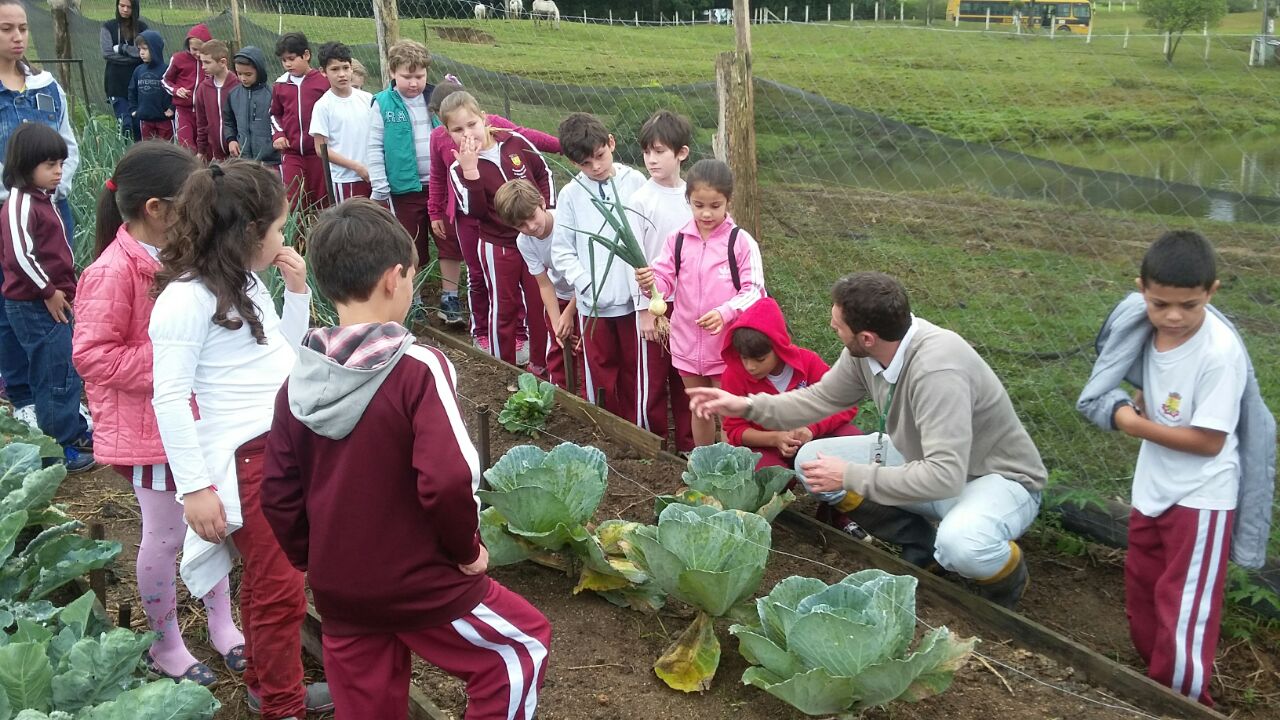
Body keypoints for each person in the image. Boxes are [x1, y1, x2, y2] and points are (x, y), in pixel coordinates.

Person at [262, 198, 551, 720]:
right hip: (421, 581)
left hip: (341, 589)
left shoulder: (297, 382)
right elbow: (449, 477)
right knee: (521, 646)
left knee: (368, 708)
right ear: (395, 278)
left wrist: (318, 559)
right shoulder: (418, 367)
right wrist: (466, 550)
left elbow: (278, 493)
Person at [687, 271, 1046, 609]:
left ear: (867, 337)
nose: (831, 326)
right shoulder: (868, 354)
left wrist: (850, 475)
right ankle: (919, 542)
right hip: (925, 463)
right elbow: (818, 400)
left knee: (963, 546)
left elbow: (944, 476)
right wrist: (744, 404)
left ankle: (1005, 582)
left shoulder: (938, 371)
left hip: (993, 478)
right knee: (813, 461)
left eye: (838, 324)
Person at [150, 160, 330, 719]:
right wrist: (195, 489)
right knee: (280, 590)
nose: (283, 238)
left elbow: (281, 355)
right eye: (277, 228)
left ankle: (262, 682)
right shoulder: (186, 301)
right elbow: (169, 399)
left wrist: (297, 291)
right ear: (247, 233)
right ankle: (282, 706)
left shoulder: (245, 282)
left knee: (265, 582)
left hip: (275, 446)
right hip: (246, 459)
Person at [72, 142, 245, 686]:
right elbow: (91, 355)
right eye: (191, 204)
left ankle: (223, 626)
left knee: (212, 528)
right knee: (166, 538)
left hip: (196, 422)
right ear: (156, 208)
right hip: (151, 432)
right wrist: (173, 356)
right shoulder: (112, 271)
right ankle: (166, 643)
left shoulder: (181, 258)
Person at [1078, 231, 1275, 707]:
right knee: (1143, 582)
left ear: (1212, 291)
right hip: (1155, 485)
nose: (1173, 316)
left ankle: (1182, 701)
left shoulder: (1219, 353)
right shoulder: (1146, 329)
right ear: (1141, 288)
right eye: (1160, 302)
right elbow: (1157, 386)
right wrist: (1141, 399)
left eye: (1188, 305)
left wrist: (1127, 420)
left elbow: (1208, 442)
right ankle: (1152, 677)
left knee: (1184, 604)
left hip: (1202, 495)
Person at [635, 159, 765, 447]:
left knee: (728, 415)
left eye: (715, 206)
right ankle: (703, 469)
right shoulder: (677, 240)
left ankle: (731, 472)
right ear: (689, 201)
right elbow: (664, 282)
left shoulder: (740, 243)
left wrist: (725, 312)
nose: (706, 213)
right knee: (700, 410)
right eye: (698, 205)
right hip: (686, 345)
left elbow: (755, 290)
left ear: (728, 201)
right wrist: (650, 284)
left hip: (725, 349)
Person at [427, 79, 561, 347]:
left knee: (535, 290)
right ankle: (486, 336)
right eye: (457, 129)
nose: (467, 133)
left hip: (530, 233)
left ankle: (530, 344)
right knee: (486, 282)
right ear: (446, 132)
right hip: (489, 237)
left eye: (472, 124)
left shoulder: (512, 141)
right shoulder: (458, 166)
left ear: (484, 118)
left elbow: (542, 171)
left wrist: (548, 208)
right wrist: (471, 172)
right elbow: (474, 209)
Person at [0, 0, 81, 431]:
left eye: (23, 28)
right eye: (6, 29)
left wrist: (52, 188)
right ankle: (25, 396)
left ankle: (61, 398)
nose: (17, 37)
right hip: (8, 212)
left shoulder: (47, 86)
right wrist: (17, 194)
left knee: (58, 297)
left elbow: (67, 144)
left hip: (50, 204)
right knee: (11, 302)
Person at [720, 296, 865, 536]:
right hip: (768, 446)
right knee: (770, 474)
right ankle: (770, 519)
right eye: (744, 358)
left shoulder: (808, 363)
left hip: (812, 439)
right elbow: (735, 430)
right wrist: (775, 439)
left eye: (759, 359)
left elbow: (844, 404)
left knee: (852, 441)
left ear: (778, 347)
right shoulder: (734, 375)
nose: (750, 367)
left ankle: (838, 514)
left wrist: (811, 429)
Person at [0, 123, 92, 472]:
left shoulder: (41, 200)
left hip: (49, 300)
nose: (58, 172)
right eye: (50, 165)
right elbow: (19, 256)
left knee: (63, 368)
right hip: (36, 305)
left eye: (60, 164)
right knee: (53, 372)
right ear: (26, 165)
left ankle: (71, 430)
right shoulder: (20, 204)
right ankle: (58, 448)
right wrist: (49, 291)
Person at [550, 112, 645, 420]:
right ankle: (605, 428)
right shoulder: (571, 195)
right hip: (595, 307)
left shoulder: (636, 183)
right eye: (585, 164)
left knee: (635, 370)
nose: (596, 168)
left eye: (600, 157)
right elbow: (562, 250)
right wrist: (588, 283)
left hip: (634, 303)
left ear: (611, 144)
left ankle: (637, 429)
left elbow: (648, 238)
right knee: (600, 372)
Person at [630, 109, 695, 451]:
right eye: (646, 152)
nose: (651, 160)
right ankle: (651, 443)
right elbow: (635, 261)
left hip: (690, 303)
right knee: (653, 379)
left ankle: (689, 446)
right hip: (656, 301)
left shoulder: (692, 198)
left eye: (660, 152)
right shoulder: (640, 200)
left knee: (686, 376)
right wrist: (644, 310)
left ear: (681, 153)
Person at [368, 40, 445, 313]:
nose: (414, 83)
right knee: (411, 244)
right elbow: (375, 147)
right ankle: (414, 298)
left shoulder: (435, 100)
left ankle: (449, 298)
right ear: (392, 73)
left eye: (420, 76)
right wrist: (379, 186)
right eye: (407, 76)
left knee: (447, 242)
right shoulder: (383, 104)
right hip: (404, 189)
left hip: (438, 186)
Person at [495, 178, 579, 390]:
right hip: (560, 295)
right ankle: (561, 394)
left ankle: (590, 398)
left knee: (584, 346)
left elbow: (591, 273)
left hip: (588, 294)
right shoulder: (524, 242)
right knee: (559, 344)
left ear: (542, 202)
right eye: (520, 225)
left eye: (532, 217)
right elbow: (544, 284)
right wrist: (558, 321)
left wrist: (570, 313)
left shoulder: (568, 222)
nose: (531, 227)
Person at [270, 32, 328, 210]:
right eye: (283, 60)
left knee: (322, 199)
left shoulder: (323, 83)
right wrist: (278, 134)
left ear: (306, 55)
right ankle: (295, 237)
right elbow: (274, 114)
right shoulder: (280, 85)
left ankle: (321, 234)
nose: (287, 64)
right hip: (292, 153)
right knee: (293, 199)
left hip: (318, 153)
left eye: (292, 58)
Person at [309, 42, 372, 203]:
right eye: (335, 69)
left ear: (351, 68)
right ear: (323, 72)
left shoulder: (368, 99)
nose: (342, 74)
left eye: (345, 67)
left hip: (373, 175)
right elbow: (320, 149)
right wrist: (356, 167)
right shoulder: (323, 106)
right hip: (345, 179)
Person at [224, 47, 280, 167]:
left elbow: (280, 122)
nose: (243, 78)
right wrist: (231, 140)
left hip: (270, 161)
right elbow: (228, 122)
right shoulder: (233, 94)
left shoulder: (273, 95)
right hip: (243, 160)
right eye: (239, 74)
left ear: (259, 71)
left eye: (248, 74)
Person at [101, 0, 146, 141]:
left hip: (137, 82)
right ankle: (123, 154)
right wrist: (133, 58)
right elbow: (107, 53)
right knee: (125, 123)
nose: (125, 9)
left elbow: (145, 51)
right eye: (122, 6)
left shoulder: (142, 28)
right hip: (116, 83)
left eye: (129, 7)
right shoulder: (108, 27)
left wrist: (122, 48)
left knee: (138, 124)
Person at [162, 23, 210, 151]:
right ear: (188, 45)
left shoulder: (210, 62)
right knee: (186, 147)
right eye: (194, 49)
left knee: (205, 147)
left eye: (202, 50)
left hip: (205, 112)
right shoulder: (178, 59)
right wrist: (176, 90)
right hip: (184, 111)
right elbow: (165, 80)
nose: (198, 54)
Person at [193, 40, 238, 162]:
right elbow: (201, 122)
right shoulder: (203, 88)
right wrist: (201, 150)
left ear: (222, 62)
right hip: (216, 155)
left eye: (207, 62)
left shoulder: (238, 86)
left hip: (238, 153)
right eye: (202, 62)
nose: (203, 67)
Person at [128, 30, 173, 142]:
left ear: (155, 49)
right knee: (148, 150)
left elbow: (175, 91)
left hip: (164, 120)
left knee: (165, 150)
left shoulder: (167, 70)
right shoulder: (138, 70)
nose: (141, 53)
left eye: (145, 49)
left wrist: (172, 108)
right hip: (145, 119)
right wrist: (134, 109)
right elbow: (132, 91)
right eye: (139, 49)